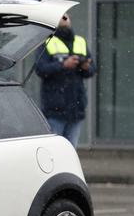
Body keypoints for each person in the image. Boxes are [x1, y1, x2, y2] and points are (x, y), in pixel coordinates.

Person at [35, 13, 96, 147]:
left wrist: (85, 67)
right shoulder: (47, 42)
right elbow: (40, 69)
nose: (64, 18)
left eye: (66, 16)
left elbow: (92, 69)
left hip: (76, 108)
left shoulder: (80, 41)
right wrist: (63, 65)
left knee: (71, 151)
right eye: (60, 17)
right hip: (55, 110)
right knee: (55, 152)